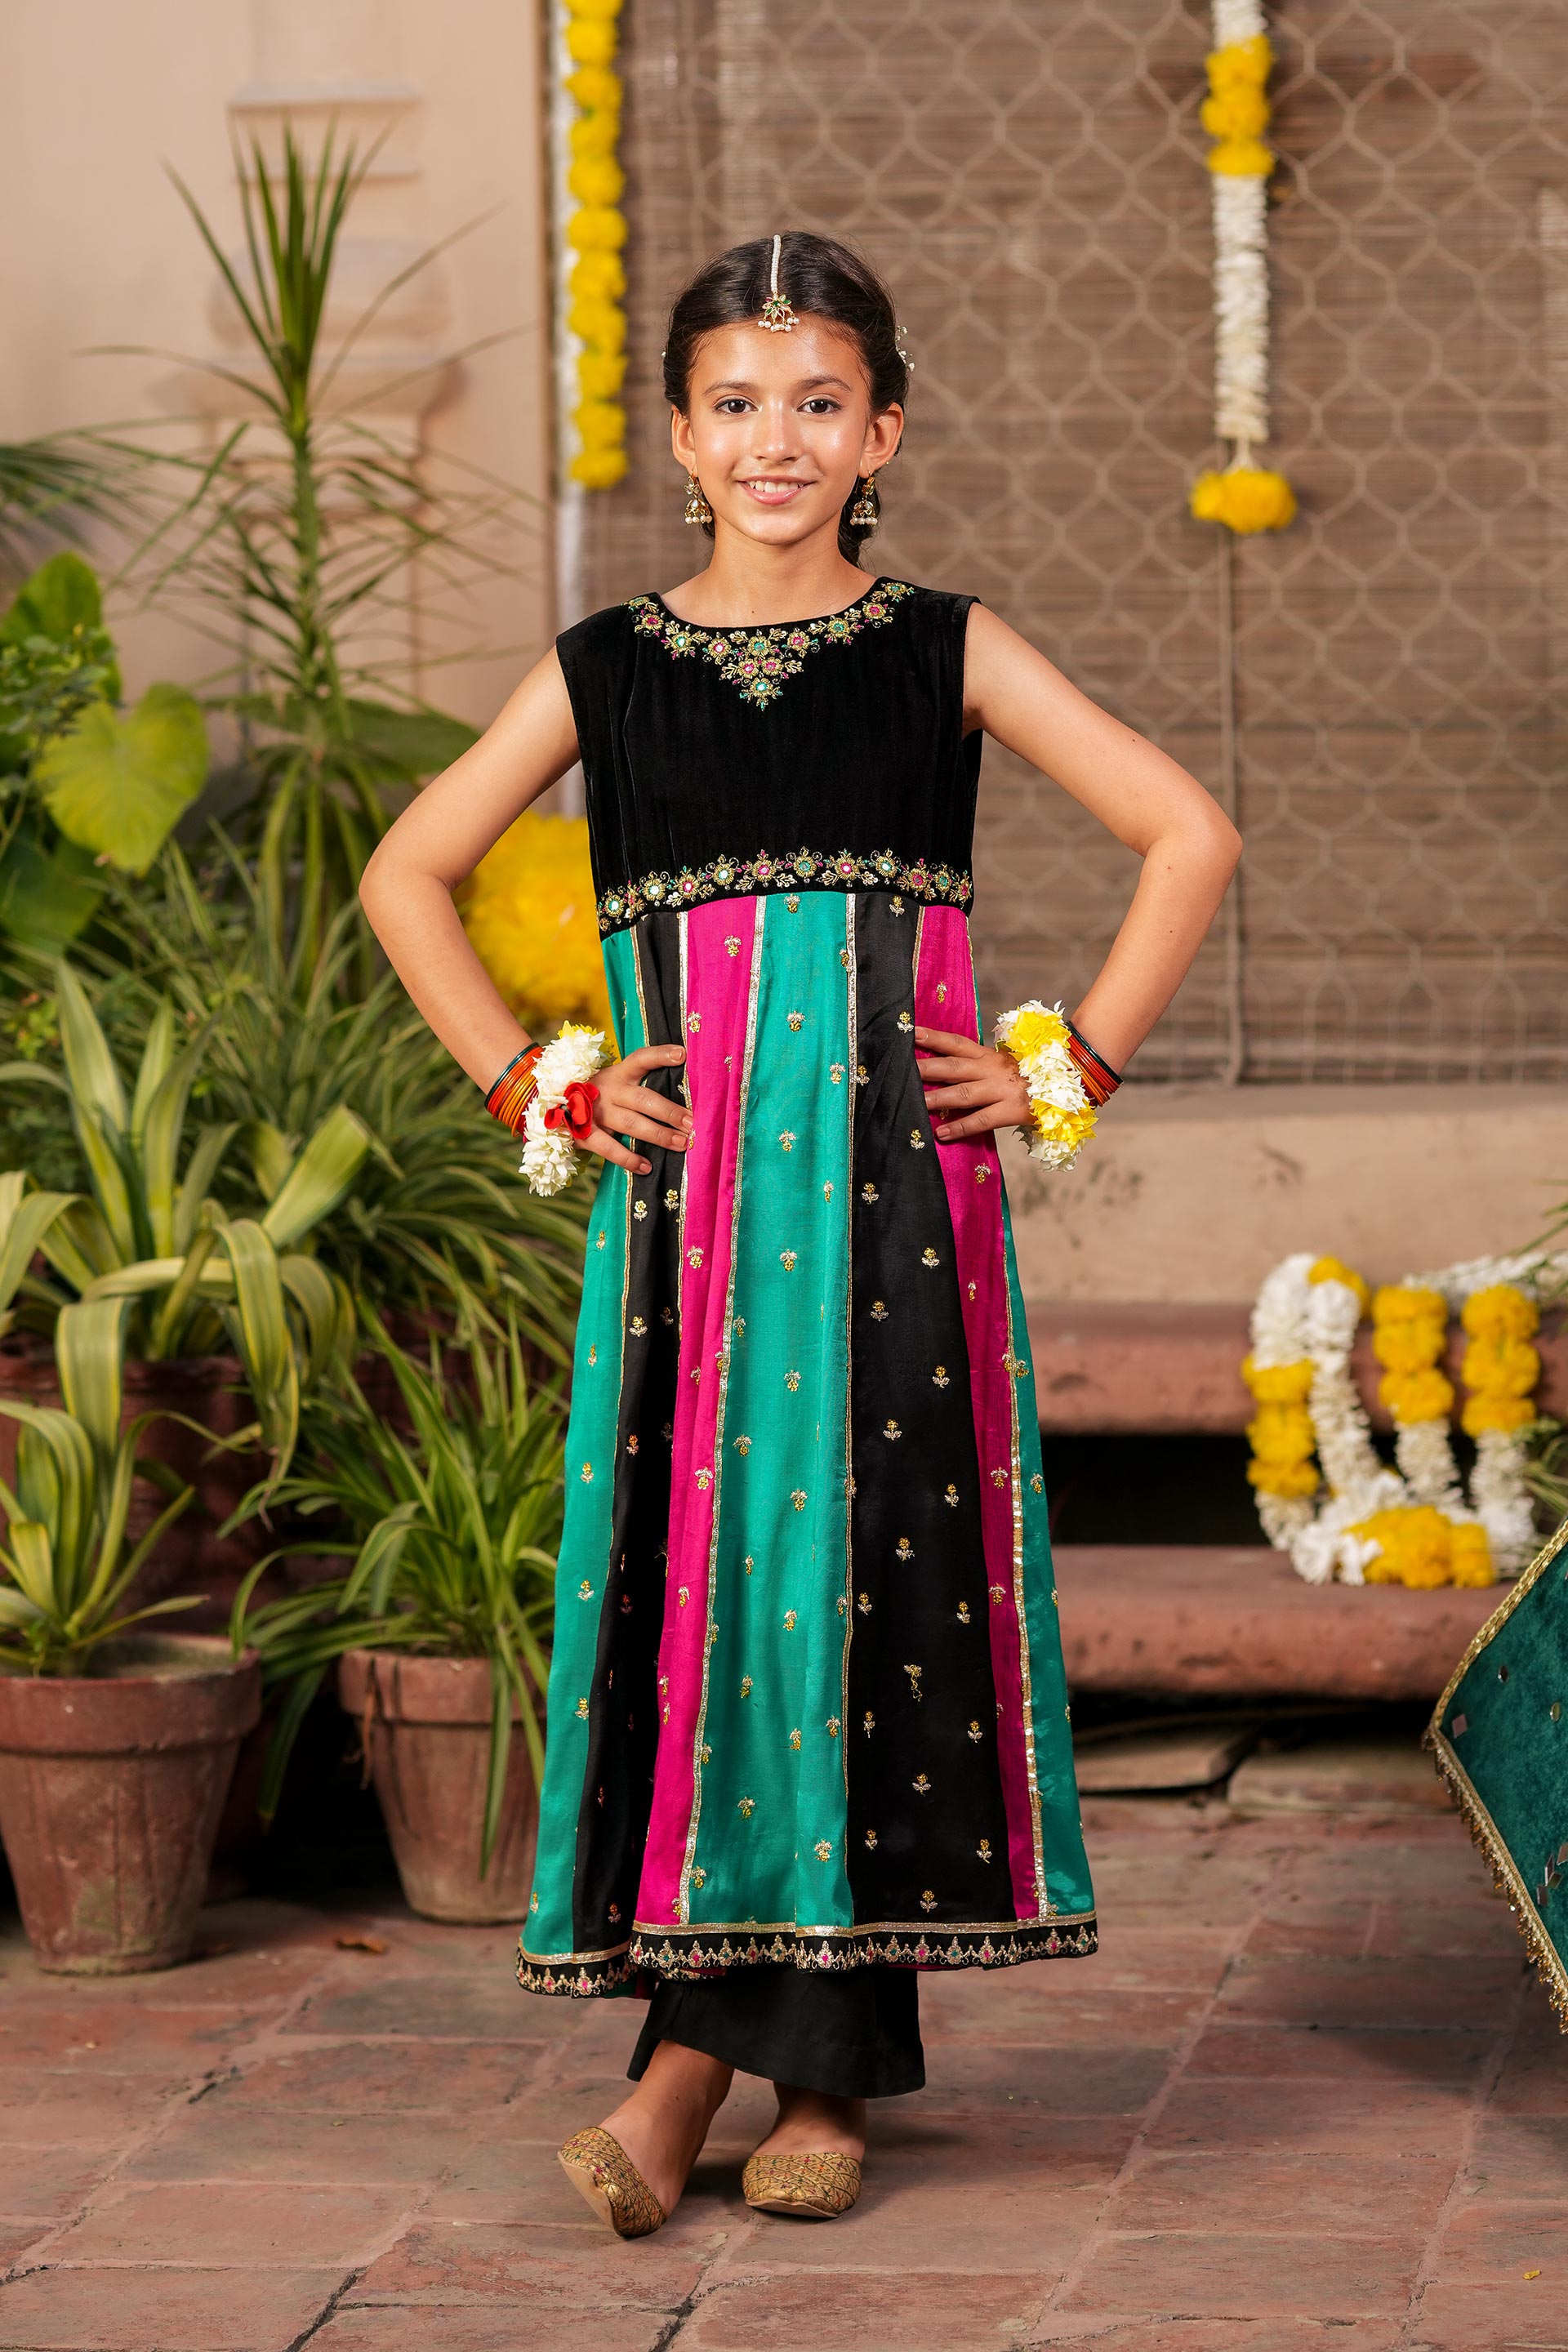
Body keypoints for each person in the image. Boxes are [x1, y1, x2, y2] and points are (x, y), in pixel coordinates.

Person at [359, 229, 1241, 2237]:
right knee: (726, 1602)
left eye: (820, 402)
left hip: (894, 1223)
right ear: (680, 436)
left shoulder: (946, 648)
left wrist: (1070, 1067)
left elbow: (1188, 832)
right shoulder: (605, 669)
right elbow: (412, 872)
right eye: (738, 404)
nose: (778, 438)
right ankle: (811, 2073)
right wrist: (538, 1085)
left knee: (868, 1587)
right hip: (685, 1231)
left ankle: (701, 2081)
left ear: (884, 432)